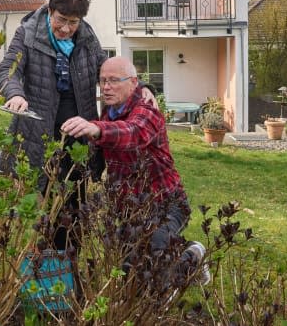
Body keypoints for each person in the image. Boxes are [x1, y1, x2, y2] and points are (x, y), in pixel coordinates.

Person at [60, 56, 210, 285]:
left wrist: (97, 129)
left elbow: (133, 132)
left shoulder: (147, 109)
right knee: (130, 269)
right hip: (129, 208)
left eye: (113, 81)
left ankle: (190, 259)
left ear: (133, 82)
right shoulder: (109, 112)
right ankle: (186, 253)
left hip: (166, 204)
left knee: (151, 268)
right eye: (103, 81)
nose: (107, 87)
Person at [0, 0, 107, 251]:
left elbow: (108, 72)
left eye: (74, 22)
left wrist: (140, 88)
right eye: (61, 20)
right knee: (41, 208)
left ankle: (68, 266)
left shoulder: (88, 37)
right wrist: (16, 93)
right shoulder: (28, 33)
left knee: (74, 207)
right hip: (38, 138)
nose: (67, 28)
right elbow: (8, 70)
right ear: (49, 10)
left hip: (78, 139)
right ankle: (41, 268)